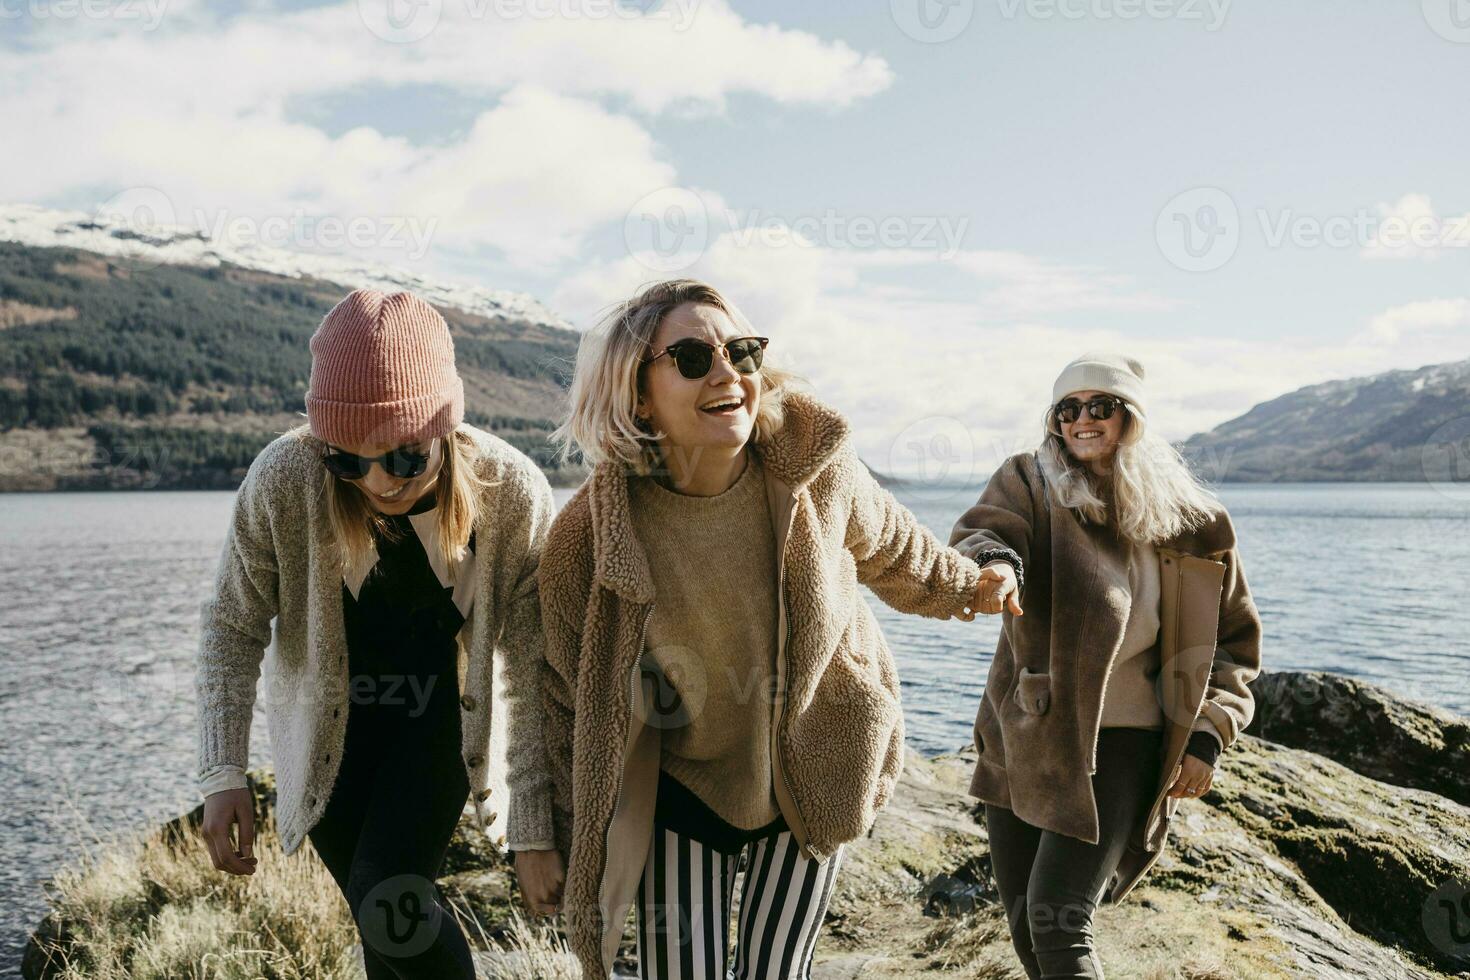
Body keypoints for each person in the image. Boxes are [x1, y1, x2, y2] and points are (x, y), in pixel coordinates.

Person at [536, 278, 1021, 979]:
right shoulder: (590, 534)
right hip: (685, 780)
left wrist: (975, 583)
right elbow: (563, 692)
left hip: (817, 769)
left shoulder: (815, 470)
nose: (728, 372)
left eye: (742, 351)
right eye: (694, 358)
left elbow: (898, 551)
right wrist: (550, 835)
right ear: (636, 393)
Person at [194, 287, 562, 978]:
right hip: (327, 738)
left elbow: (530, 662)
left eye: (402, 457)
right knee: (381, 933)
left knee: (387, 893)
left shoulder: (510, 492)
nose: (376, 480)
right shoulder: (285, 479)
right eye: (346, 460)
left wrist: (535, 820)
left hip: (440, 728)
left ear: (447, 428)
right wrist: (222, 772)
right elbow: (231, 626)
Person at [948, 352, 1263, 980]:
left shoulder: (1195, 523)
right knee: (1026, 927)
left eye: (1101, 407)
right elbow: (987, 532)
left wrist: (1208, 735)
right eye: (1068, 409)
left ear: (1132, 418)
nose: (1082, 420)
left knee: (1059, 917)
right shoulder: (1030, 481)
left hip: (1128, 743)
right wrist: (997, 566)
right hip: (1028, 733)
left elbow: (1235, 646)